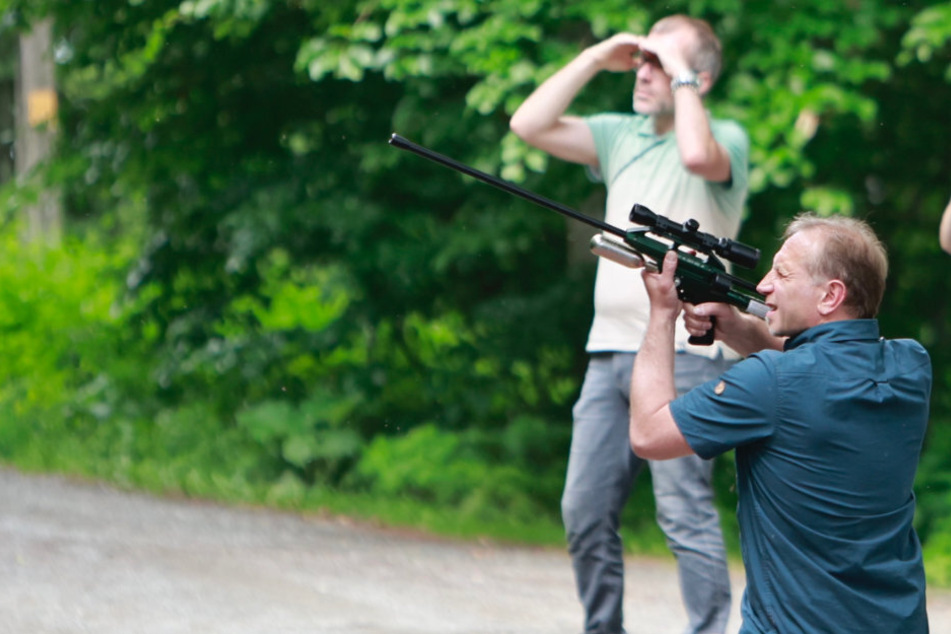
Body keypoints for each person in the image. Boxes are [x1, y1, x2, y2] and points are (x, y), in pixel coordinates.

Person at [509, 14, 748, 634]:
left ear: (700, 77)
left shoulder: (729, 140)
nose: (645, 72)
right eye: (642, 61)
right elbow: (526, 125)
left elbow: (697, 154)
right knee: (583, 511)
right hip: (609, 350)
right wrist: (595, 58)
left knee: (683, 512)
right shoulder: (621, 135)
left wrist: (680, 72)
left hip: (689, 351)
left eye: (659, 64)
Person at [630, 214, 932, 633]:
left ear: (831, 296)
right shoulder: (911, 365)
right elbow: (833, 358)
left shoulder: (769, 380)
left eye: (783, 274)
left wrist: (661, 314)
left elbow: (648, 433)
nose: (764, 284)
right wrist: (736, 328)